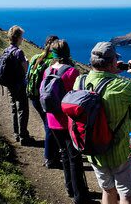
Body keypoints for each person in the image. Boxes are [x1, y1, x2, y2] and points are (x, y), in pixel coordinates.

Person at [85, 41, 131, 204]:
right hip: (121, 152)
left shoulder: (81, 81)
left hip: (94, 151)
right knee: (127, 195)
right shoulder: (120, 87)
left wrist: (113, 71)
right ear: (111, 63)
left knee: (108, 190)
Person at [43, 39, 90, 204]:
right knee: (75, 159)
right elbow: (76, 97)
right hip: (67, 121)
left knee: (64, 154)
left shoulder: (48, 70)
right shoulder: (71, 72)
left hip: (51, 119)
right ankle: (80, 196)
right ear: (68, 52)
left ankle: (70, 188)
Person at [27, 34, 59, 168]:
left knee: (48, 125)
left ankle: (52, 154)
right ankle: (50, 157)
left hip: (34, 96)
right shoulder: (52, 62)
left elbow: (27, 76)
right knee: (50, 127)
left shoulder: (35, 57)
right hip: (45, 99)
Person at [5, 25, 33, 144]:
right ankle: (23, 136)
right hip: (19, 84)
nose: (22, 39)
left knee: (14, 109)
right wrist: (26, 61)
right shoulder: (19, 52)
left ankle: (16, 134)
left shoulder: (6, 50)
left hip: (9, 84)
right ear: (18, 37)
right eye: (21, 36)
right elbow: (25, 69)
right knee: (23, 109)